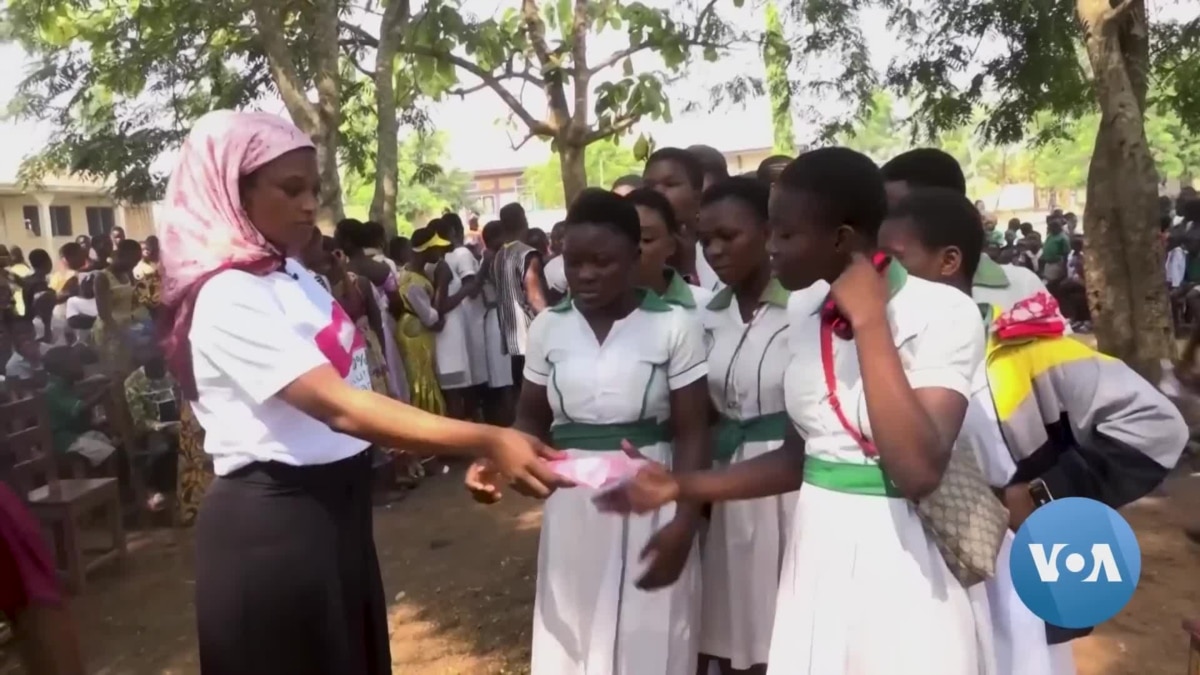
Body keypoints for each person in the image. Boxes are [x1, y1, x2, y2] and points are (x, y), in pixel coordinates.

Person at [155, 110, 569, 675]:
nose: (309, 205)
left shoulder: (291, 278)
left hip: (336, 516)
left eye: (314, 189)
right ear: (234, 192)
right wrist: (487, 439)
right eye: (290, 189)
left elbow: (356, 385)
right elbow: (339, 406)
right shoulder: (229, 294)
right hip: (276, 529)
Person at [597, 148, 994, 674]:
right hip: (818, 546)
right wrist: (680, 486)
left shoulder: (942, 311)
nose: (771, 247)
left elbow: (918, 470)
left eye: (785, 234)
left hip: (902, 558)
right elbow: (797, 458)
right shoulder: (809, 312)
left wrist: (871, 321)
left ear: (841, 239)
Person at [877, 186, 1186, 675]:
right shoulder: (878, 356)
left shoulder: (1024, 350)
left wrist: (1044, 493)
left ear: (949, 261)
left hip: (1012, 575)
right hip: (918, 573)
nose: (881, 274)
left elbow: (1157, 424)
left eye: (893, 260)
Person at [473, 188, 710, 675]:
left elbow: (692, 432)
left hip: (653, 499)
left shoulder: (674, 326)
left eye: (602, 262)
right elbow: (530, 420)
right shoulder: (548, 330)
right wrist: (499, 458)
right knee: (578, 638)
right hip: (574, 502)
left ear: (632, 256)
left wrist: (685, 522)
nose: (585, 275)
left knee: (653, 635)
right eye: (575, 262)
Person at [693, 176, 791, 675]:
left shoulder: (807, 307)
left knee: (791, 626)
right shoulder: (706, 316)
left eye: (728, 237)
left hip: (792, 483)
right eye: (704, 239)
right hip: (731, 483)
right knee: (737, 632)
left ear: (771, 231)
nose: (714, 250)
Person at [882, 148, 1054, 314]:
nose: (880, 221)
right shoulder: (878, 296)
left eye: (892, 210)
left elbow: (1060, 343)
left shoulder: (1021, 286)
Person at [625, 187, 713, 315]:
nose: (635, 248)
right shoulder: (596, 309)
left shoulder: (704, 305)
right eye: (627, 237)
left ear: (671, 245)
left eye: (646, 239)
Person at [644, 147, 720, 291]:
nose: (658, 192)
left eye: (670, 184)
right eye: (650, 186)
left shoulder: (720, 251)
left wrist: (688, 271)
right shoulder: (633, 254)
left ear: (697, 196)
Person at [491, 202, 548, 387]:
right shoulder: (527, 254)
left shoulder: (499, 256)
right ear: (524, 219)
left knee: (520, 388)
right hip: (532, 335)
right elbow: (534, 298)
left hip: (511, 336)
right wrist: (555, 322)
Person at [396, 228, 448, 416]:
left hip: (413, 326)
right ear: (426, 250)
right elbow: (429, 317)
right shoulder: (414, 283)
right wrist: (443, 286)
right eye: (436, 249)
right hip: (416, 331)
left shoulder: (411, 271)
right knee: (421, 376)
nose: (440, 253)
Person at [124, 353, 181, 512]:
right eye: (160, 369)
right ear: (147, 367)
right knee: (160, 447)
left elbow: (178, 398)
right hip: (149, 431)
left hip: (175, 424)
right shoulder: (133, 383)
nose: (164, 372)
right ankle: (153, 491)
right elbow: (140, 420)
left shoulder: (167, 374)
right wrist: (163, 427)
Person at [43, 346, 117, 468]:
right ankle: (110, 484)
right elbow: (80, 407)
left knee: (112, 443)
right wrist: (105, 391)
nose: (81, 366)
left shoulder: (66, 384)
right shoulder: (53, 389)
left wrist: (96, 382)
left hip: (78, 434)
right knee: (109, 454)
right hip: (65, 441)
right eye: (76, 362)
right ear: (62, 367)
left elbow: (80, 389)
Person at [94, 238, 149, 375]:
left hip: (128, 327)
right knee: (115, 373)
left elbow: (135, 302)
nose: (135, 264)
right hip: (110, 331)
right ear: (122, 256)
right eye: (133, 260)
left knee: (130, 371)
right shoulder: (102, 278)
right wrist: (121, 335)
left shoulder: (128, 274)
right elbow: (104, 314)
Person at [479, 220, 515, 424]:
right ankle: (509, 421)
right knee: (503, 377)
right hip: (498, 317)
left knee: (505, 376)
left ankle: (509, 421)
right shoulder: (495, 259)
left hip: (498, 316)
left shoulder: (496, 259)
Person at [1040, 216, 1070, 282]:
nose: (1050, 229)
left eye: (1053, 227)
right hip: (1048, 263)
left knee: (1053, 282)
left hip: (1057, 263)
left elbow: (1066, 253)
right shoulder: (1050, 236)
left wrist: (1064, 268)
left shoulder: (1063, 238)